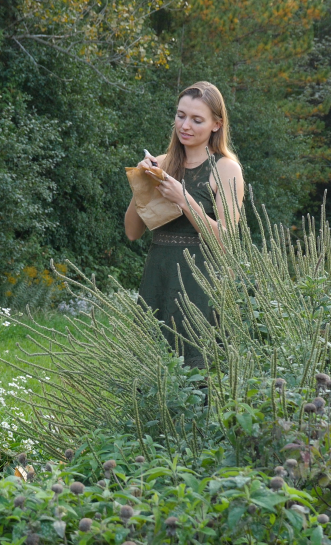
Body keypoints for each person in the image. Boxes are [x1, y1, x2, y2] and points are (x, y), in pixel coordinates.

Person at [124, 81, 245, 368]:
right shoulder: (163, 163)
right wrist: (141, 184)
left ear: (217, 124)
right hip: (159, 277)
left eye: (196, 119)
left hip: (200, 283)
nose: (185, 125)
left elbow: (226, 242)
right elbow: (132, 232)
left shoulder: (226, 168)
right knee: (151, 376)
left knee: (199, 377)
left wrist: (183, 199)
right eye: (181, 116)